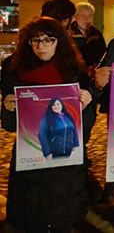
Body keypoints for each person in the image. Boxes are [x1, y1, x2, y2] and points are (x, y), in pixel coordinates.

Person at [0, 17, 96, 232]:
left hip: (64, 159)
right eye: (34, 41)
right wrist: (7, 107)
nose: (41, 46)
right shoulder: (16, 72)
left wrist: (87, 104)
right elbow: (8, 126)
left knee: (62, 215)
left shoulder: (74, 72)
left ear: (59, 42)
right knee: (30, 216)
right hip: (30, 155)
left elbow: (85, 127)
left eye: (48, 40)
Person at [69, 1, 106, 67]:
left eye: (90, 16)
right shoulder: (69, 33)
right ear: (76, 16)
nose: (87, 19)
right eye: (83, 16)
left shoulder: (96, 34)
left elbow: (103, 53)